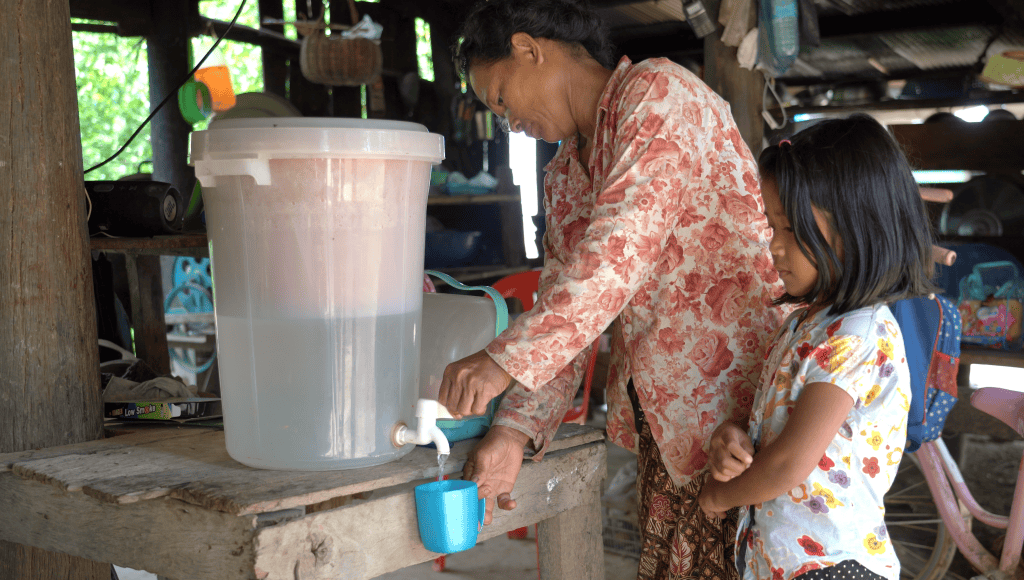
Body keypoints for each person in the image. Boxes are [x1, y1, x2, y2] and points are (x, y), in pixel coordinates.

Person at [438, 0, 784, 577]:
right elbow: (566, 312)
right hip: (665, 423)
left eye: (500, 98)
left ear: (529, 49)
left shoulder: (657, 95)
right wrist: (512, 430)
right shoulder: (566, 175)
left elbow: (615, 259)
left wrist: (502, 360)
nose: (508, 122)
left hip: (742, 412)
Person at [697, 114, 937, 580]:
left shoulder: (855, 336)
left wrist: (717, 496)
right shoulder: (808, 325)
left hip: (830, 565)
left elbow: (790, 462)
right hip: (791, 562)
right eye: (772, 228)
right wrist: (733, 435)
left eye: (790, 230)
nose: (774, 249)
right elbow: (779, 431)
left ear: (856, 229)